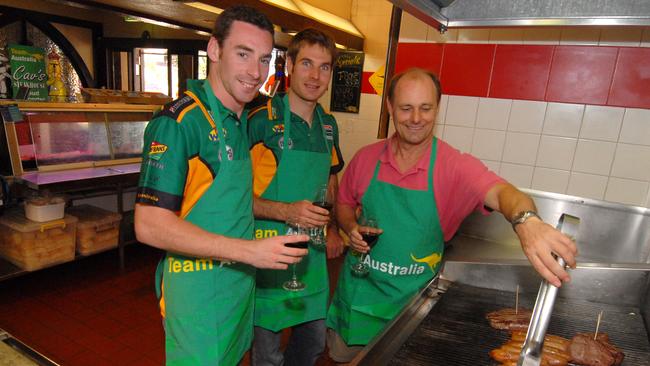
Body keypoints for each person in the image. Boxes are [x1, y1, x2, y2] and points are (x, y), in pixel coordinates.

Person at [325, 67, 578, 362]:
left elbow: (504, 193)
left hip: (409, 311)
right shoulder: (366, 158)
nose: (416, 119)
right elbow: (343, 204)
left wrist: (527, 222)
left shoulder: (453, 166)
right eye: (406, 108)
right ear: (390, 107)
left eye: (426, 108)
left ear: (437, 108)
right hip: (357, 303)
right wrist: (350, 225)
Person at [133, 6, 309, 365]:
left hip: (237, 289)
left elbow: (238, 202)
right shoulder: (180, 123)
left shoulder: (239, 119)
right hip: (197, 294)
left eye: (263, 59)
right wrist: (249, 252)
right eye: (242, 54)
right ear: (214, 50)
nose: (255, 72)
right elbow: (148, 225)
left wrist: (283, 213)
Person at [247, 28, 345, 366]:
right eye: (306, 63)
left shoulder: (329, 125)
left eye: (325, 67)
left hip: (311, 260)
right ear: (289, 63)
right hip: (266, 257)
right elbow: (233, 198)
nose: (315, 76)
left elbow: (330, 183)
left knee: (313, 346)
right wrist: (287, 210)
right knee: (268, 356)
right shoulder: (259, 121)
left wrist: (332, 228)